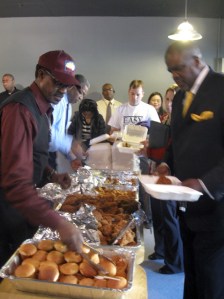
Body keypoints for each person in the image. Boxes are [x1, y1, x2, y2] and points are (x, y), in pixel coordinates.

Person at [0, 50, 83, 267]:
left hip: (18, 203)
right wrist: (59, 223)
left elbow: (29, 153)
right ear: (40, 74)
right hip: (5, 205)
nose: (63, 91)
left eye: (67, 86)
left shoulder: (44, 110)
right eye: (58, 83)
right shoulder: (20, 110)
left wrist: (52, 174)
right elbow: (16, 184)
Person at [159, 41, 224, 298]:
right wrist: (166, 163)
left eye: (179, 69)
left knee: (211, 281)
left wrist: (204, 184)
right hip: (187, 207)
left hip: (217, 209)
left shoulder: (221, 88)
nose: (175, 76)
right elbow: (177, 140)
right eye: (170, 71)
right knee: (192, 278)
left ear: (197, 61)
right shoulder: (182, 96)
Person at [147, 84, 183, 275]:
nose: (169, 104)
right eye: (167, 99)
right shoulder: (169, 119)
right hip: (163, 171)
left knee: (170, 219)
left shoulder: (182, 121)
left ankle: (175, 262)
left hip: (175, 178)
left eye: (173, 100)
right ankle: (163, 252)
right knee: (161, 217)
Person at [48, 74, 90, 170]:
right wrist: (73, 146)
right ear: (71, 86)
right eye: (81, 93)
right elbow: (51, 135)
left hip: (51, 155)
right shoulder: (57, 102)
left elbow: (62, 134)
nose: (81, 98)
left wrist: (72, 156)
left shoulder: (68, 107)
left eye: (84, 95)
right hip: (40, 153)